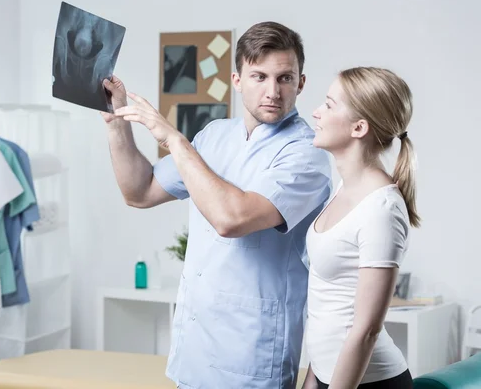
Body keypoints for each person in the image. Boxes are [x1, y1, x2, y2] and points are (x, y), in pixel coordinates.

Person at [101, 21, 332, 389]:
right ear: (237, 80)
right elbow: (139, 191)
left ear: (301, 83)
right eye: (259, 76)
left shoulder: (307, 154)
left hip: (251, 356)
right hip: (193, 352)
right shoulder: (213, 136)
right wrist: (116, 121)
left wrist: (175, 140)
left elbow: (232, 218)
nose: (273, 91)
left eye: (285, 78)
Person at [302, 67, 419, 389]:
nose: (316, 112)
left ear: (359, 127)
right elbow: (330, 306)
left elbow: (366, 329)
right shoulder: (344, 187)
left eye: (328, 104)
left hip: (369, 383)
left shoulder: (381, 209)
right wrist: (312, 381)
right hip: (330, 377)